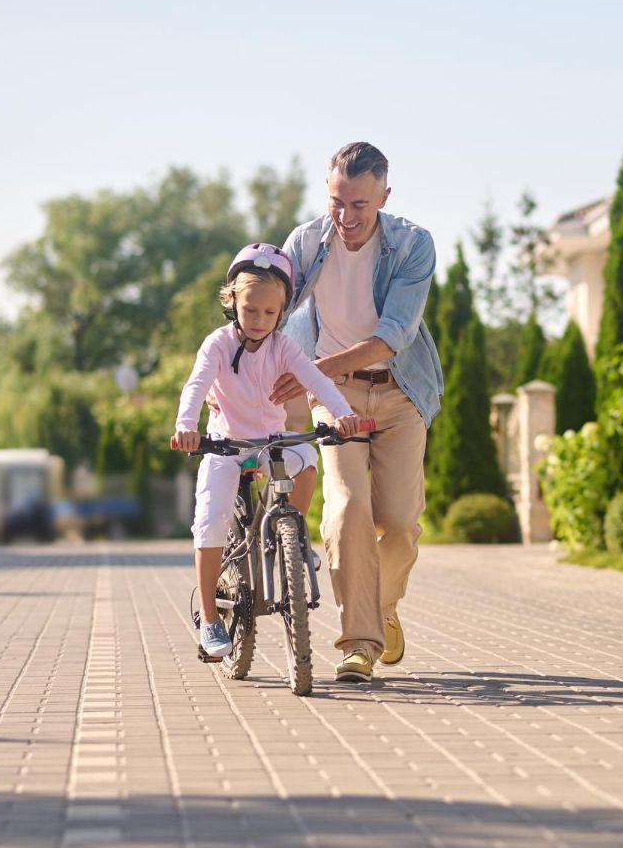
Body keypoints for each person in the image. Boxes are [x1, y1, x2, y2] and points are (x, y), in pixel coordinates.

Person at [272, 142, 443, 683]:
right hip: (335, 397)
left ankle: (383, 607)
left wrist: (314, 368)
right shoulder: (305, 241)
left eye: (359, 206)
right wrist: (230, 364)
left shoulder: (413, 245)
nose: (344, 218)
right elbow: (268, 307)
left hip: (399, 392)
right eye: (335, 202)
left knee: (397, 523)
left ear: (384, 197)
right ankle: (360, 642)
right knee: (346, 510)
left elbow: (394, 334)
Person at [173, 242, 359, 659]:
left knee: (308, 461)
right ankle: (210, 616)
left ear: (282, 312)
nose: (259, 321)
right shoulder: (217, 345)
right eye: (250, 310)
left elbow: (318, 381)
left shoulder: (284, 347)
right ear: (232, 301)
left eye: (270, 313)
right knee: (211, 518)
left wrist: (343, 413)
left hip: (271, 445)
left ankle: (291, 539)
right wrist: (187, 425)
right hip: (226, 445)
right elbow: (196, 386)